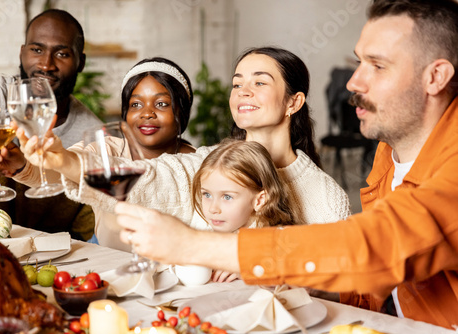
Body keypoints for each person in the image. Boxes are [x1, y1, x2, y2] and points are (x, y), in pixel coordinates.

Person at [113, 0, 458, 329]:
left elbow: (379, 243)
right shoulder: (391, 151)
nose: (353, 82)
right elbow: (379, 283)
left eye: (378, 66)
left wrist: (195, 246)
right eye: (359, 64)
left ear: (436, 77)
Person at [22, 46, 350, 237]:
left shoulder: (326, 197)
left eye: (259, 82)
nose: (243, 92)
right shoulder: (205, 163)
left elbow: (335, 283)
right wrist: (65, 161)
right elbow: (147, 178)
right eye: (237, 84)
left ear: (294, 102)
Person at [15, 57, 195, 249]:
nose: (147, 113)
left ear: (181, 111)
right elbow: (60, 173)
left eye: (161, 104)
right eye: (136, 104)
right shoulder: (104, 148)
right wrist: (21, 164)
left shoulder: (198, 162)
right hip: (110, 258)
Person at [0, 9, 103, 240]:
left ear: (81, 62)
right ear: (21, 53)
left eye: (62, 54)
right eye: (37, 50)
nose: (46, 65)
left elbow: (87, 237)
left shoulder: (94, 139)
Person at [190, 139, 295, 282]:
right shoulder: (203, 224)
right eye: (207, 194)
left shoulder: (275, 238)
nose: (212, 208)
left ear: (259, 200)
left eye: (227, 197)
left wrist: (253, 268)